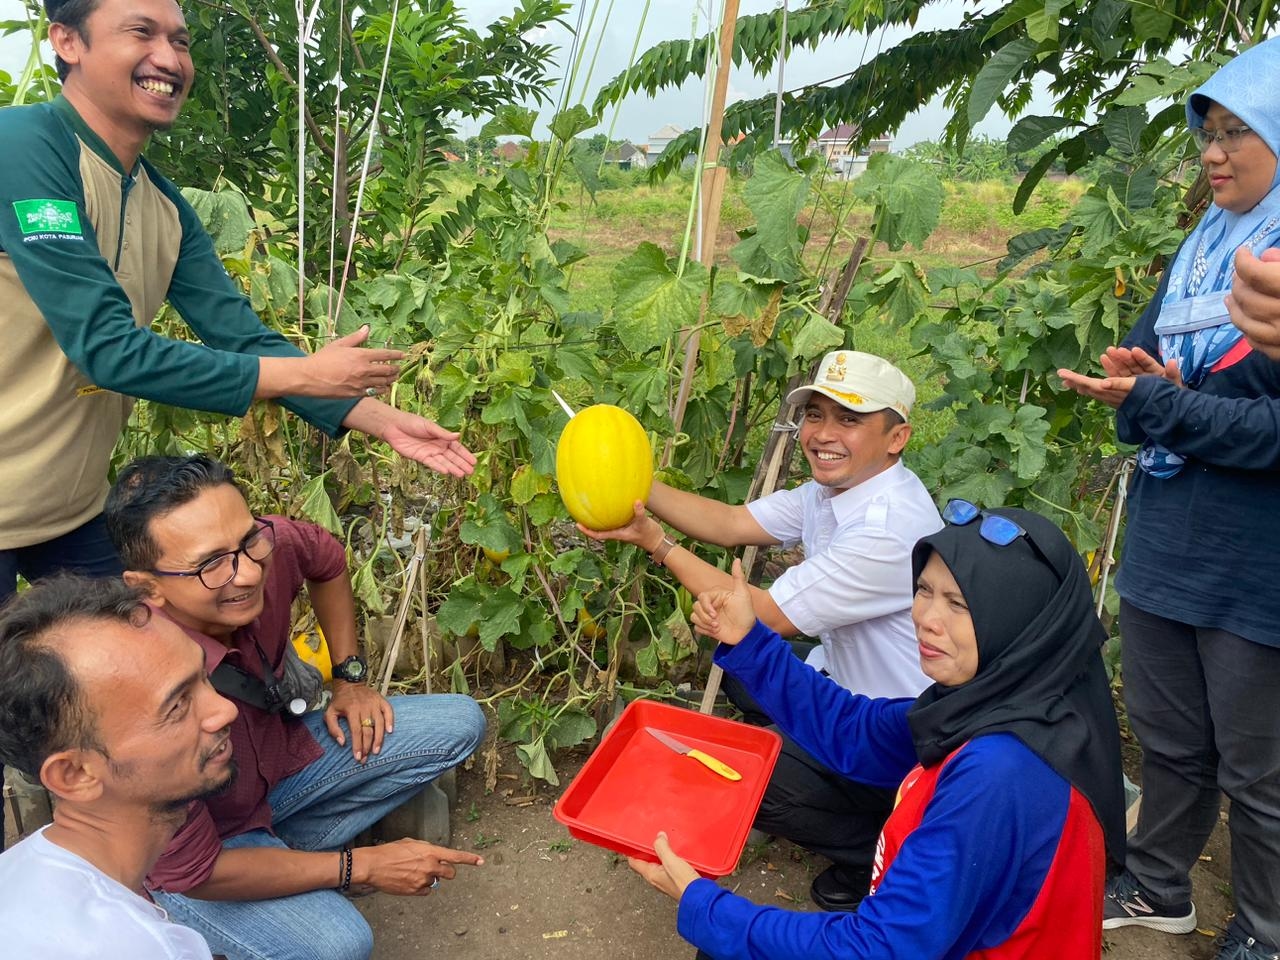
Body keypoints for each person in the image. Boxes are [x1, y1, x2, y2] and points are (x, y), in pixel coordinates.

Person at [0, 0, 477, 606]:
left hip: (67, 508)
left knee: (122, 675)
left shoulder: (162, 206)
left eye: (181, 40)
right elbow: (108, 350)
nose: (169, 59)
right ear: (68, 42)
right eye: (141, 33)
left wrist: (378, 418)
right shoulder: (20, 146)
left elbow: (241, 336)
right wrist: (309, 371)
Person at [630, 503, 1124, 960]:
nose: (925, 618)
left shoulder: (1000, 774)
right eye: (925, 590)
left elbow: (879, 951)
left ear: (1020, 621)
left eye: (959, 604)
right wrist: (750, 641)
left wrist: (706, 907)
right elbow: (856, 731)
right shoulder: (1004, 702)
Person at [1059, 38, 1280, 960]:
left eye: (1239, 132)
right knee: (1170, 739)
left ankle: (1267, 931)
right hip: (1166, 540)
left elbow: (1270, 432)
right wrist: (1143, 383)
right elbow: (1167, 381)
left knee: (1260, 769)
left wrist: (1159, 400)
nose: (1214, 153)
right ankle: (1158, 889)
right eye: (1208, 134)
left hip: (1252, 561)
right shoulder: (1201, 251)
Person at [582, 349, 941, 910]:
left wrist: (655, 542)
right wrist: (629, 482)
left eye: (849, 419)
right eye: (816, 415)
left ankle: (880, 848)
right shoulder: (838, 490)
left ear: (897, 438)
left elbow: (761, 614)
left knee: (753, 777)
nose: (824, 433)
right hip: (851, 695)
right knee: (744, 677)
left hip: (904, 741)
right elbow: (731, 524)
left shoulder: (887, 527)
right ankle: (835, 798)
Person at [103, 454, 487, 960]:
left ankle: (279, 858)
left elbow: (325, 559)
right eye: (210, 564)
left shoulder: (265, 548)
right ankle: (176, 904)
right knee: (338, 945)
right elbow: (198, 871)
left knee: (457, 723)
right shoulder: (131, 684)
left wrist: (350, 679)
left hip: (277, 761)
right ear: (147, 587)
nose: (245, 574)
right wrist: (361, 865)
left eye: (247, 542)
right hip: (196, 856)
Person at [0, 574, 236, 958]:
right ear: (75, 775)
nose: (226, 709)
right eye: (176, 706)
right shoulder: (143, 947)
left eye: (203, 677)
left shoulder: (15, 873)